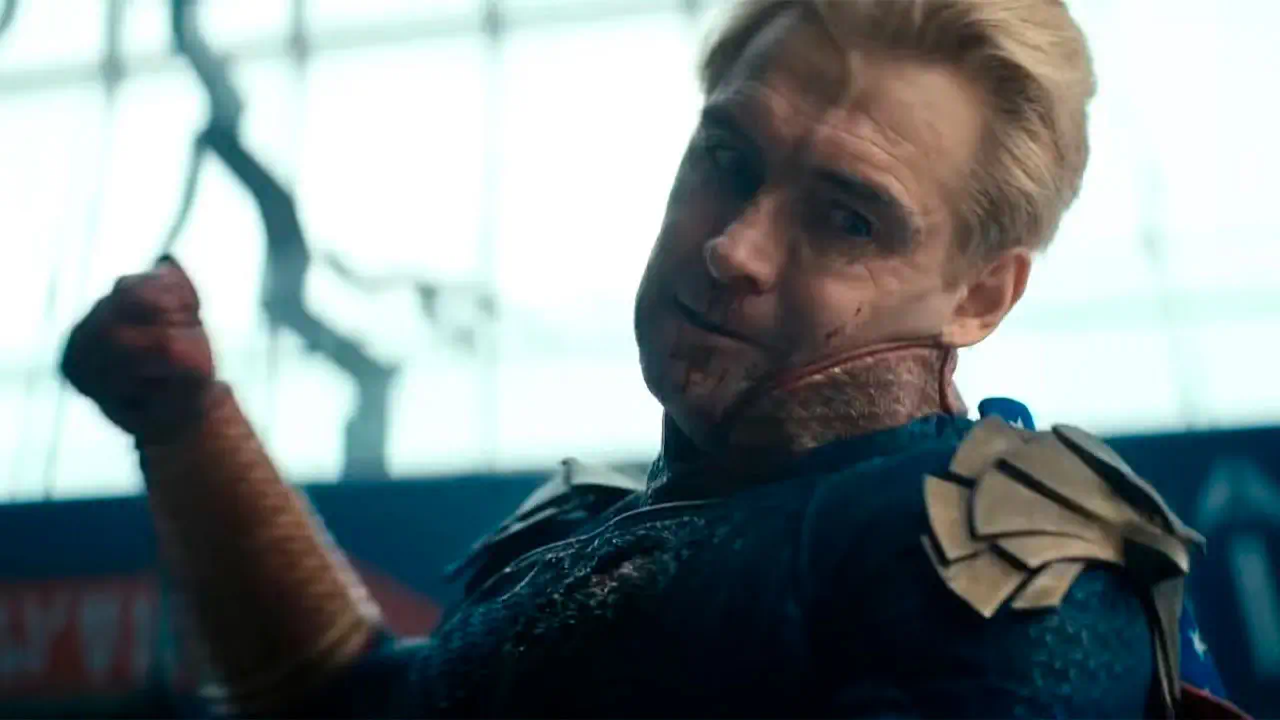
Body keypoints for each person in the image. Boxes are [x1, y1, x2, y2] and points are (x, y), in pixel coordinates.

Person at [59, 0, 1249, 717]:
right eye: (727, 161)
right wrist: (185, 422)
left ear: (980, 294)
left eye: (846, 219)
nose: (732, 249)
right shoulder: (590, 530)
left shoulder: (999, 567)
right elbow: (353, 705)